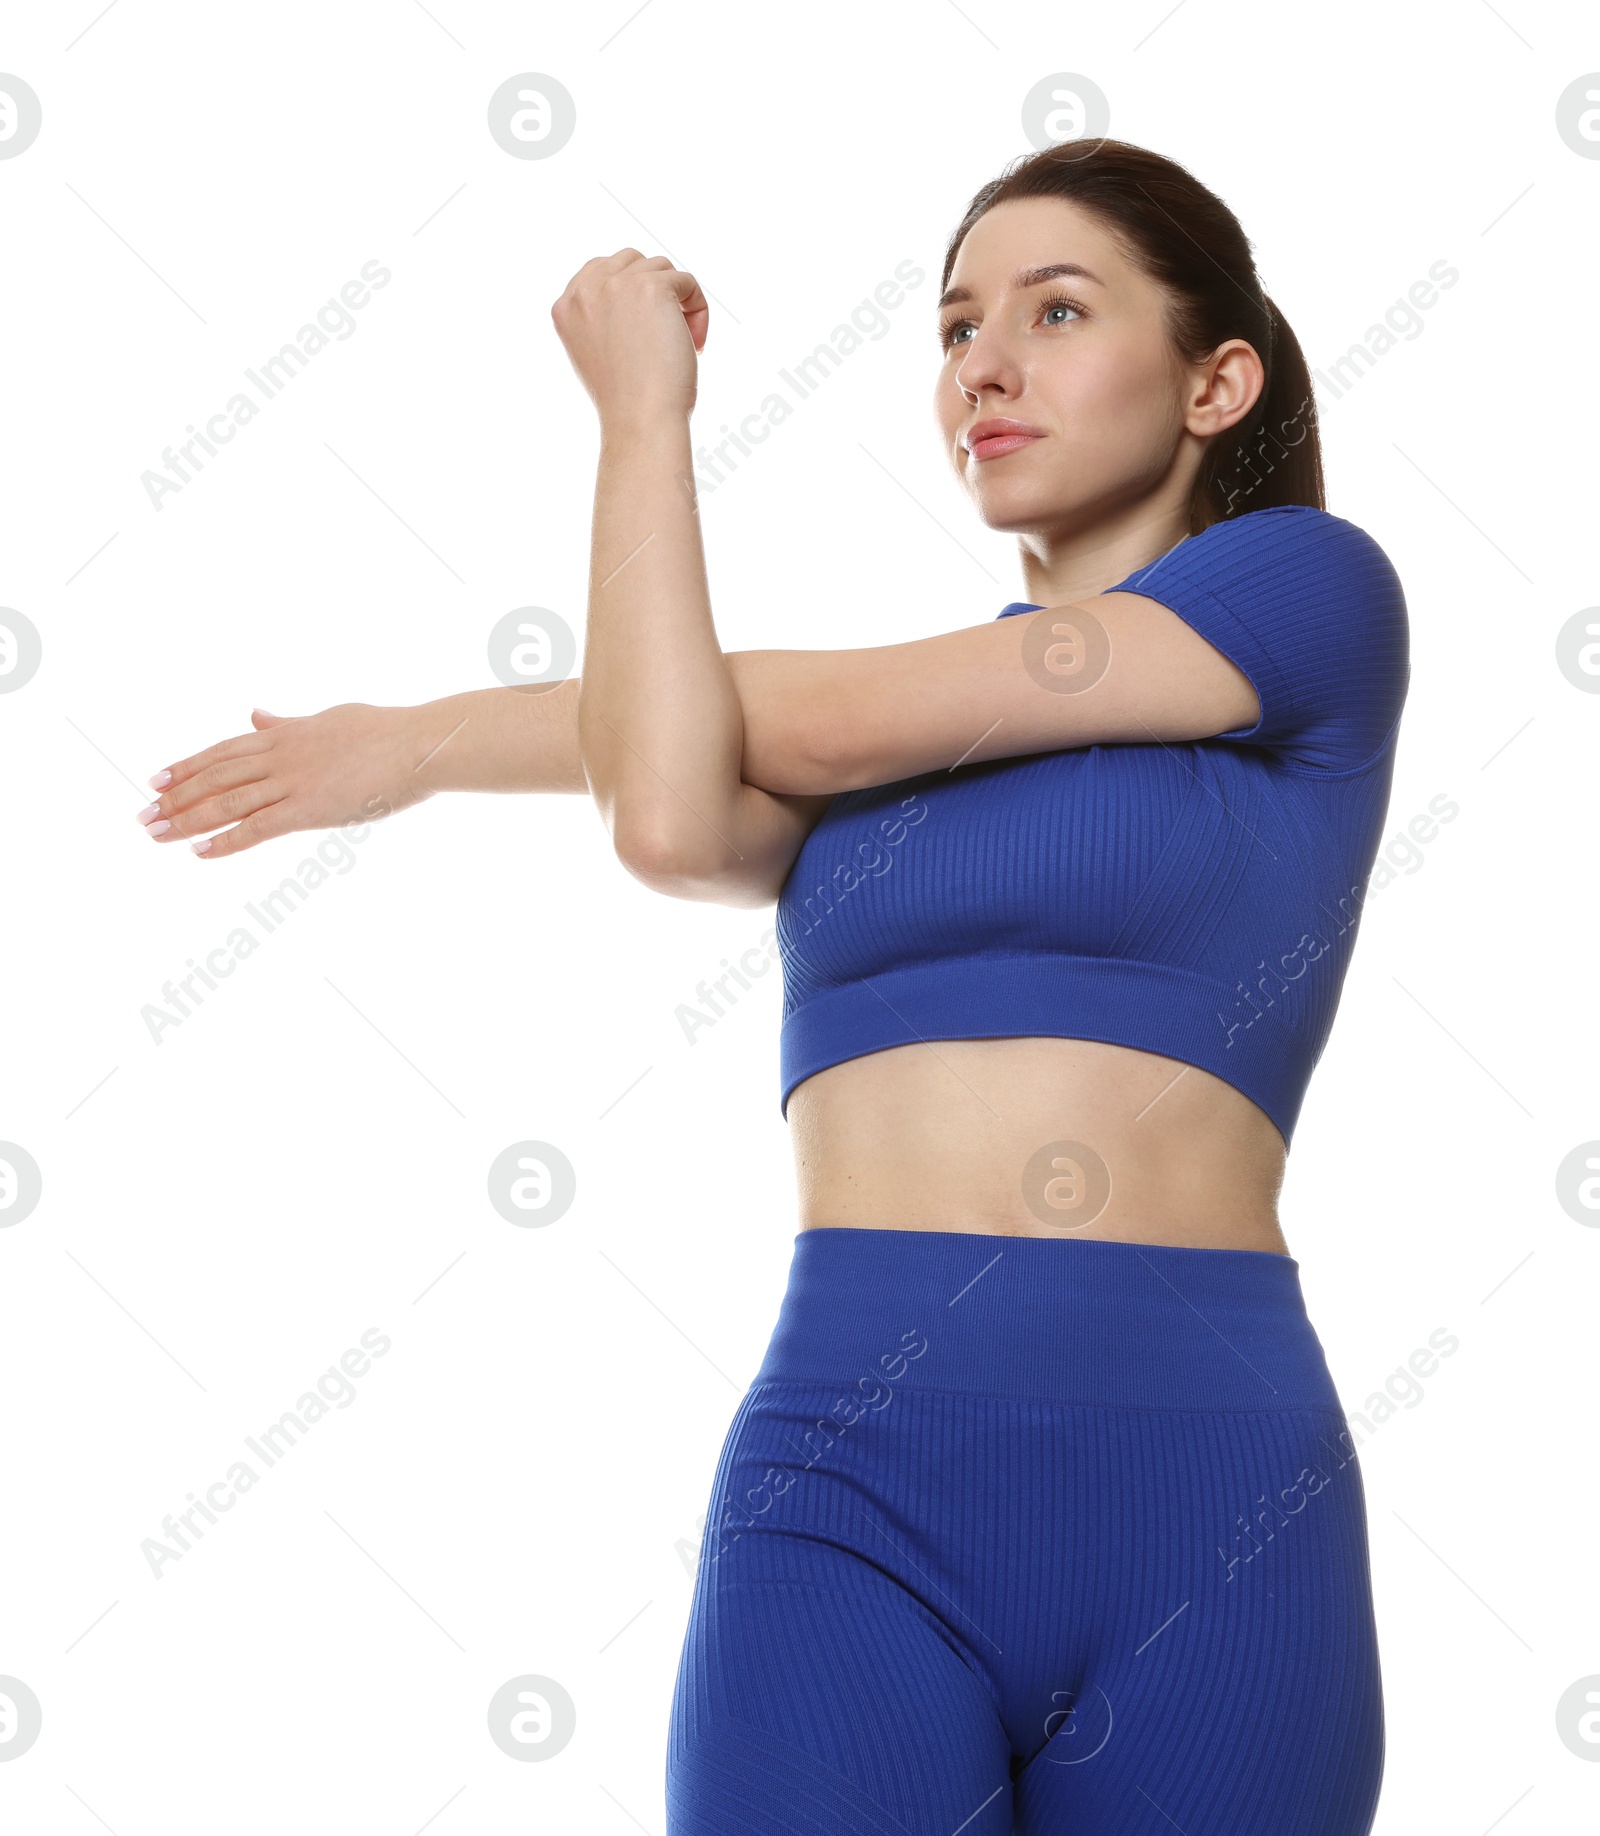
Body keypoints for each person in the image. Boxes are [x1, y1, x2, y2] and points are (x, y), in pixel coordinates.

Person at [138, 140, 1407, 1834]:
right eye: (957, 328)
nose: (987, 366)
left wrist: (429, 736)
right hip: (856, 1475)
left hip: (1209, 1488)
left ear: (1215, 381)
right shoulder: (883, 758)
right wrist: (645, 422)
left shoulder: (1310, 595)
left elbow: (769, 718)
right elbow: (664, 804)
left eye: (1056, 309)